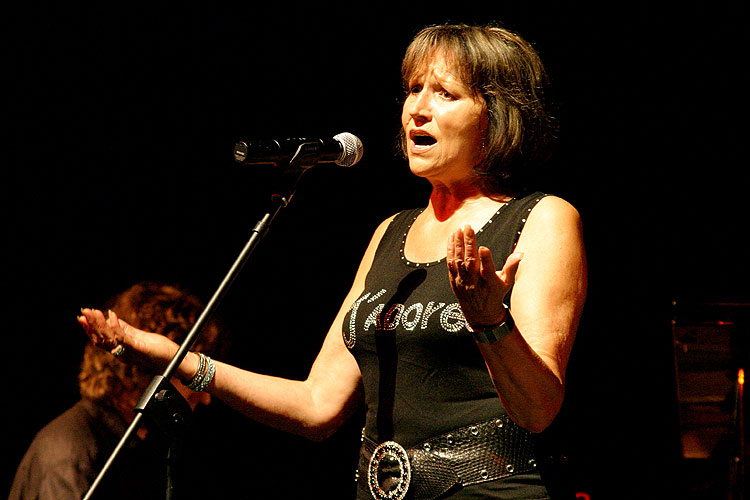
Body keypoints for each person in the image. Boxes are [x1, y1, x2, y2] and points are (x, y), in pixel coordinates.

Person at [78, 24, 586, 500]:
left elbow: (539, 410)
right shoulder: (391, 233)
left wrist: (489, 321)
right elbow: (317, 405)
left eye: (445, 94)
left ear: (497, 115)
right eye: (412, 89)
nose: (417, 110)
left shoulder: (541, 219)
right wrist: (174, 359)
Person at [10, 282, 222, 500]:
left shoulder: (139, 444)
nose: (206, 397)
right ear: (143, 367)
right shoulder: (70, 451)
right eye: (190, 377)